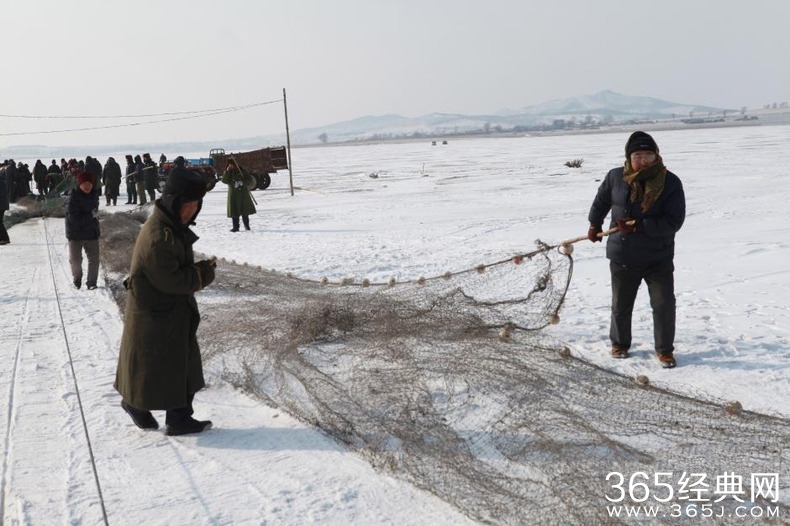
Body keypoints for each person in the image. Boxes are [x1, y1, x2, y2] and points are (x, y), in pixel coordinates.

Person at [114, 165, 215, 436]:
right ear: (174, 201)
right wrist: (203, 274)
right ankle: (144, 407)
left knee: (175, 365)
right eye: (189, 204)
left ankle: (176, 416)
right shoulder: (161, 235)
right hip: (158, 313)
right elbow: (172, 281)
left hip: (164, 311)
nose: (192, 211)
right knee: (162, 366)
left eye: (197, 205)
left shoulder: (170, 224)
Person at [587, 131, 685, 368]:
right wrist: (594, 223)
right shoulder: (615, 177)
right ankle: (619, 344)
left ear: (656, 156)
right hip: (623, 254)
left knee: (663, 305)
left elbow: (674, 221)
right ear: (629, 157)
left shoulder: (670, 182)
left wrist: (640, 226)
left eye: (648, 155)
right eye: (638, 155)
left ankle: (664, 350)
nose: (643, 160)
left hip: (657, 257)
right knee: (621, 304)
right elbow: (601, 201)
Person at [65, 165, 101, 290]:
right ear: (79, 184)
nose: (87, 186)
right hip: (75, 234)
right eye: (84, 183)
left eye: (89, 183)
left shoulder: (94, 195)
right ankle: (77, 279)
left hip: (91, 233)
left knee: (94, 259)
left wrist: (95, 219)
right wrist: (91, 215)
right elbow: (74, 218)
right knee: (75, 260)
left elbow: (94, 213)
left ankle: (92, 283)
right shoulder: (73, 198)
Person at [220, 158, 256, 232]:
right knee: (234, 212)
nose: (231, 166)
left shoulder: (242, 171)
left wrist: (242, 182)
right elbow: (224, 180)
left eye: (232, 165)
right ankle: (235, 227)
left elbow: (249, 180)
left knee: (244, 211)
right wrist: (227, 172)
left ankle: (247, 226)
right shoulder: (228, 172)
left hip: (243, 193)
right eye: (229, 165)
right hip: (233, 194)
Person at [0, 166, 9, 245]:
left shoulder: (1, 181)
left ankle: (4, 238)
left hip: (1, 205)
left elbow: (1, 194)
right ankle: (3, 238)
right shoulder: (2, 180)